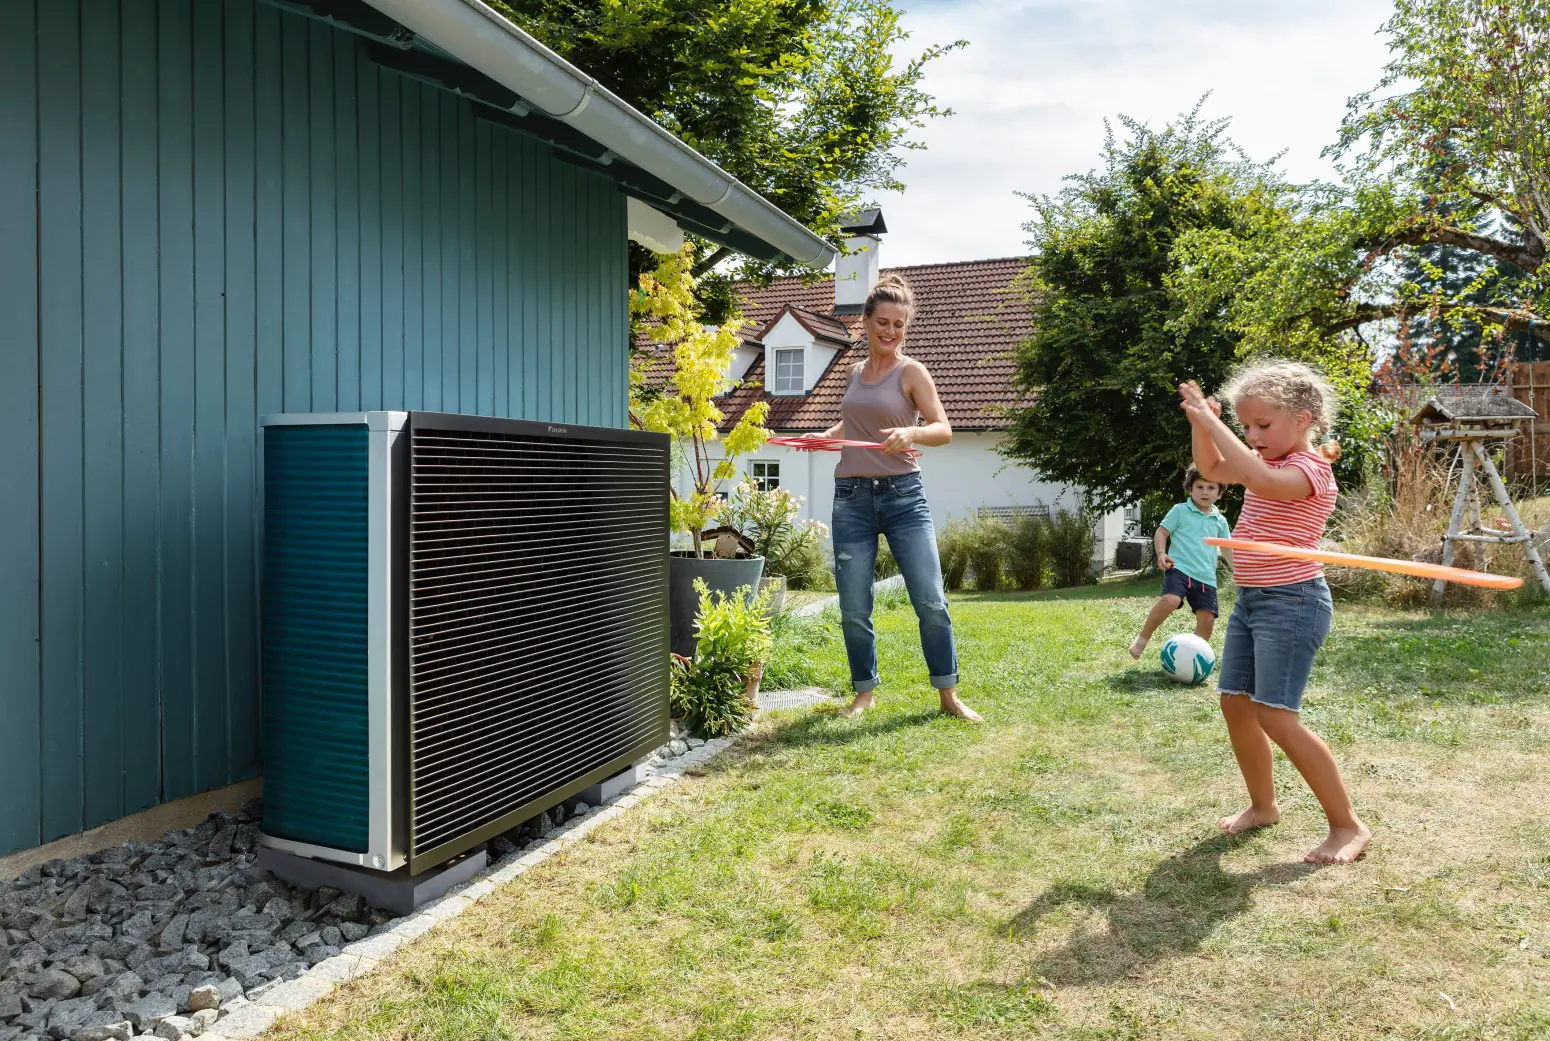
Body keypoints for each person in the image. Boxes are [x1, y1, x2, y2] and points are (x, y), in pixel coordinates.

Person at [1180, 360, 1371, 865]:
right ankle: (1263, 807)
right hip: (1252, 601)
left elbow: (1255, 474)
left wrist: (1212, 419)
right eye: (1246, 425)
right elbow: (1215, 470)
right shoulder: (1267, 463)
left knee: (1276, 715)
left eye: (1263, 424)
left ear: (1304, 419)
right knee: (1236, 705)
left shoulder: (1309, 472)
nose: (1252, 434)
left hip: (1293, 602)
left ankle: (1347, 826)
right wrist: (1203, 425)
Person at [802, 273, 981, 722]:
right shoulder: (853, 372)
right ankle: (864, 692)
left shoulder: (912, 371)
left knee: (931, 600)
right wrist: (824, 436)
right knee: (854, 605)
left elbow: (943, 429)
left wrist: (912, 432)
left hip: (904, 498)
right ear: (865, 322)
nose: (890, 331)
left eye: (899, 324)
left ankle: (948, 694)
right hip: (851, 498)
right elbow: (855, 424)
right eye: (883, 322)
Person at [1129, 468, 1233, 659]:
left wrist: (1238, 571)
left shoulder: (1220, 521)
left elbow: (1227, 549)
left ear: (1220, 493)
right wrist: (1161, 553)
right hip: (1180, 568)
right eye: (1199, 486)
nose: (1204, 491)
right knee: (1170, 600)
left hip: (1206, 577)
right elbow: (1161, 533)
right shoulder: (1180, 511)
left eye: (1211, 487)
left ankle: (1192, 658)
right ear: (1190, 489)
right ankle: (1143, 638)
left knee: (1207, 620)